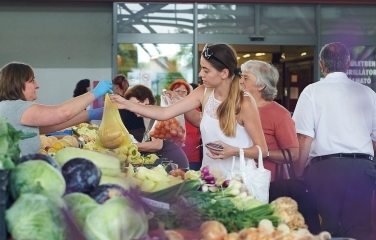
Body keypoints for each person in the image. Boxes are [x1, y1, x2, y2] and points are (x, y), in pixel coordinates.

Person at [111, 43, 267, 179]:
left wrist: (232, 151)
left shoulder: (244, 102)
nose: (200, 74)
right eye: (201, 69)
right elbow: (165, 113)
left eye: (206, 70)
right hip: (209, 178)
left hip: (238, 181)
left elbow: (262, 150)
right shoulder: (203, 92)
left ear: (224, 73)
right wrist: (127, 104)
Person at [292, 42, 376, 240]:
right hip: (362, 170)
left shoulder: (312, 92)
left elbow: (303, 137)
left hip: (325, 170)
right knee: (359, 229)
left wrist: (299, 172)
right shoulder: (367, 93)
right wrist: (361, 148)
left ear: (321, 65)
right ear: (348, 64)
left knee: (324, 230)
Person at [0, 62, 112, 156]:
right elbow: (62, 113)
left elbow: (52, 125)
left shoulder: (8, 107)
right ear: (17, 84)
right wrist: (95, 92)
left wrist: (91, 114)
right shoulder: (16, 108)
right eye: (32, 81)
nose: (37, 85)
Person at [239, 61, 298, 181]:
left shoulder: (280, 114)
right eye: (241, 77)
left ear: (261, 86)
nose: (240, 81)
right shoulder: (235, 107)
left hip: (268, 183)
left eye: (246, 78)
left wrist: (262, 152)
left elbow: (293, 154)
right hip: (238, 179)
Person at [124, 84, 189, 169]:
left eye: (135, 105)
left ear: (146, 101)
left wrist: (129, 145)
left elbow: (156, 145)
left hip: (174, 163)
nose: (133, 109)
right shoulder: (147, 120)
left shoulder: (157, 116)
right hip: (165, 163)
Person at [168, 79, 202, 171]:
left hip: (193, 157)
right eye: (177, 91)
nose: (180, 94)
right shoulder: (168, 111)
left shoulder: (195, 111)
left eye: (184, 91)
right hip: (173, 156)